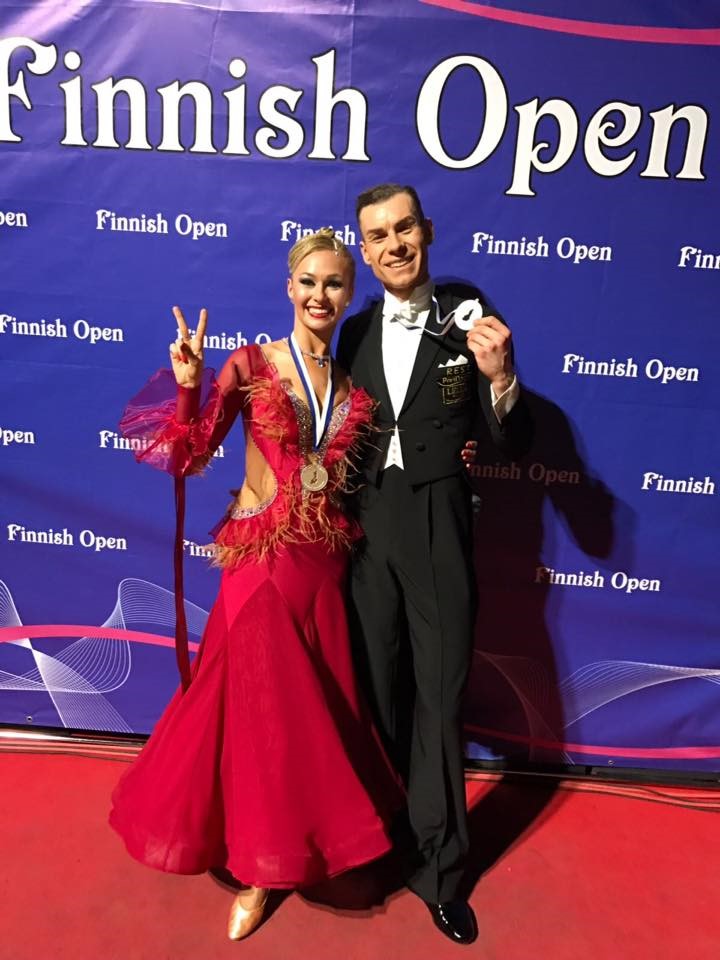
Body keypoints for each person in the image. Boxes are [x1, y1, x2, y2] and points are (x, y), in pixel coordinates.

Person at [109, 229, 402, 940]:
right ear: (288, 287)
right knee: (256, 713)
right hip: (261, 565)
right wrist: (188, 386)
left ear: (349, 294)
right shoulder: (250, 364)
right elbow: (190, 454)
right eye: (309, 281)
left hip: (322, 568)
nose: (320, 295)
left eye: (334, 283)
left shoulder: (353, 391)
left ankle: (296, 842)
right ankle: (260, 866)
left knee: (310, 716)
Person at [336, 183, 533, 945]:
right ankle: (381, 843)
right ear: (364, 250)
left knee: (440, 702)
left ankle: (442, 870)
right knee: (378, 694)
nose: (393, 245)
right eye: (378, 236)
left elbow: (512, 439)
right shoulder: (354, 331)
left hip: (439, 523)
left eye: (404, 229)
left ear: (427, 230)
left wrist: (501, 379)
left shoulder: (469, 316)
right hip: (366, 526)